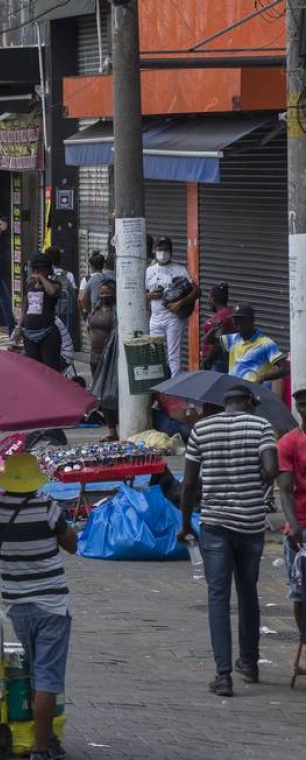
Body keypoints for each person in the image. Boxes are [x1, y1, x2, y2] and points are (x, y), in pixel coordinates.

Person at [0, 453, 77, 760]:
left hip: (18, 606)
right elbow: (72, 544)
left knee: (35, 671)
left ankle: (44, 737)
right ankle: (41, 748)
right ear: (35, 482)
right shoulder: (47, 508)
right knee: (47, 677)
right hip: (52, 605)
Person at [178, 384, 277, 697]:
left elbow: (190, 483)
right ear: (249, 403)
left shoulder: (202, 428)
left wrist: (185, 525)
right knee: (248, 592)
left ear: (225, 404)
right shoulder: (261, 426)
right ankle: (249, 663)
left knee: (218, 598)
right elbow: (272, 469)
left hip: (216, 523)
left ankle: (223, 676)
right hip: (250, 524)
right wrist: (254, 481)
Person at [277, 388, 306, 657]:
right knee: (300, 591)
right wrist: (293, 524)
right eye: (301, 406)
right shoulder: (288, 443)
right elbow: (285, 488)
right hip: (302, 523)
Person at [146, 236, 199, 376]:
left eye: (166, 250)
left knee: (174, 356)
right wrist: (148, 296)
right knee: (155, 355)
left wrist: (179, 303)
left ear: (171, 252)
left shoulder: (179, 270)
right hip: (155, 318)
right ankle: (158, 387)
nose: (162, 253)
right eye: (159, 249)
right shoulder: (149, 270)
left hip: (173, 319)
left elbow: (197, 291)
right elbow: (142, 294)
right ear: (155, 251)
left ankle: (172, 390)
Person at [15, 254, 64, 372]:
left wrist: (42, 278)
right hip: (30, 335)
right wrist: (19, 326)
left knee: (50, 370)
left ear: (48, 270)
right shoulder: (30, 286)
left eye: (41, 270)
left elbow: (52, 292)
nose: (37, 272)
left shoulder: (55, 285)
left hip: (48, 334)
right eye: (35, 270)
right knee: (34, 370)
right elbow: (25, 308)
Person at [218, 303, 288, 384]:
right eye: (236, 322)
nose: (238, 325)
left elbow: (285, 368)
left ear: (252, 320)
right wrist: (215, 327)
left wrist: (263, 378)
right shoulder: (233, 339)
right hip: (234, 389)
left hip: (253, 392)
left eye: (242, 322)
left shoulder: (266, 343)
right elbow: (209, 341)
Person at [87, 280, 119, 440]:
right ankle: (112, 430)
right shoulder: (96, 310)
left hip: (109, 359)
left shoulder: (116, 312)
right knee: (100, 395)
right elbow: (89, 328)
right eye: (102, 293)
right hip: (94, 356)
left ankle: (115, 428)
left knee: (109, 395)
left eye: (107, 293)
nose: (104, 296)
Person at [200, 282, 236, 372]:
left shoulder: (222, 317)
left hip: (217, 360)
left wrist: (207, 360)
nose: (207, 301)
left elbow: (219, 342)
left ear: (212, 300)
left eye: (208, 297)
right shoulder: (231, 312)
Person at [77, 252, 109, 318]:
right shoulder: (108, 278)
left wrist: (86, 312)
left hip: (94, 314)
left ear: (91, 266)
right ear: (103, 265)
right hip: (108, 313)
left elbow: (80, 299)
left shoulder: (86, 279)